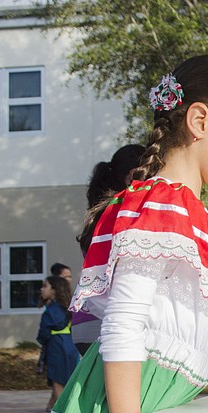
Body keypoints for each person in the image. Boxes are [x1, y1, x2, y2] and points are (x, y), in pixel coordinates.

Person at [38, 54, 208, 413]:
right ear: (199, 121)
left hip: (157, 404)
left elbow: (167, 304)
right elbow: (123, 326)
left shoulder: (183, 212)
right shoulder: (161, 207)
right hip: (129, 410)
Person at [72, 144, 147, 354]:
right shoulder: (123, 213)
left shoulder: (102, 213)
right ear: (132, 176)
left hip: (87, 320)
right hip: (106, 321)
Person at [37, 276, 81, 411]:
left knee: (57, 380)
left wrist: (43, 340)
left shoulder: (51, 310)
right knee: (69, 379)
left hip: (56, 346)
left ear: (54, 290)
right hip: (70, 344)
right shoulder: (68, 308)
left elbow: (44, 333)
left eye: (45, 286)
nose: (42, 289)